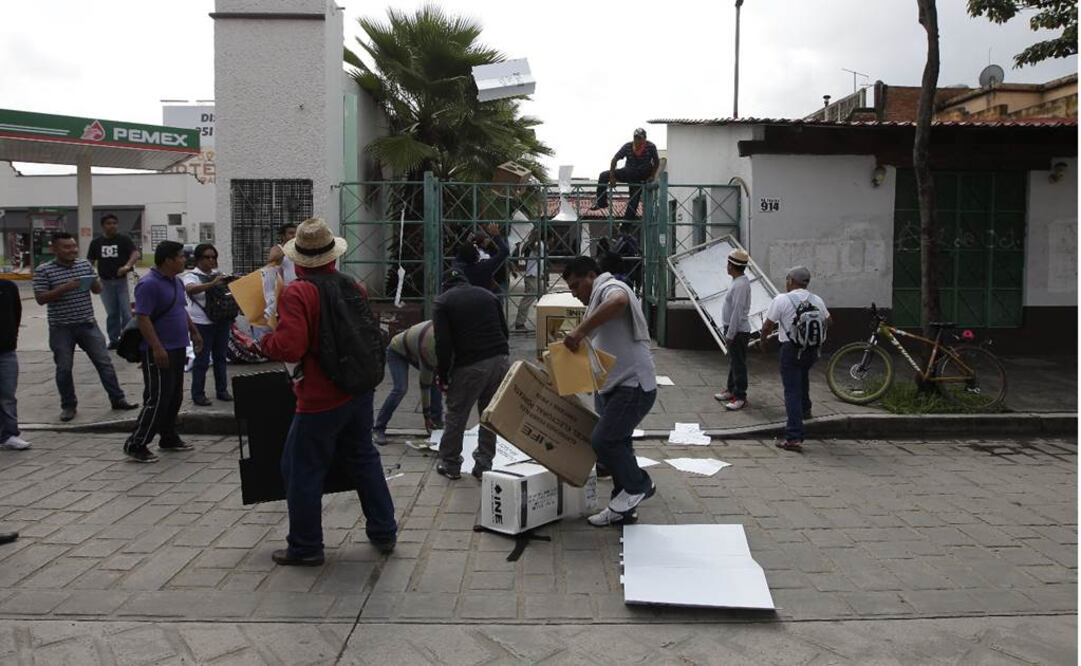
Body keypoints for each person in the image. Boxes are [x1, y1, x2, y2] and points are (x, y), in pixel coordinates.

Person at [258, 217, 397, 565]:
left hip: (320, 396)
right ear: (333, 258)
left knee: (301, 469)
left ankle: (306, 546)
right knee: (364, 458)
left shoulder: (298, 292)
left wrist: (263, 341)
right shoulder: (355, 286)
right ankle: (384, 530)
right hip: (359, 390)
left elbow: (290, 347)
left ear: (300, 260)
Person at [562, 256, 657, 527]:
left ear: (592, 275)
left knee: (604, 441)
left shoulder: (609, 287)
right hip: (614, 386)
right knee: (620, 444)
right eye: (571, 289)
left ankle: (639, 485)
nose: (575, 293)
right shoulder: (596, 299)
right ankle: (622, 509)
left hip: (633, 386)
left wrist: (579, 331)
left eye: (577, 285)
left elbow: (619, 302)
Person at [33, 232, 138, 422]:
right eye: (66, 247)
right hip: (61, 327)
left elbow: (98, 290)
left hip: (87, 324)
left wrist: (93, 282)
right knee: (64, 368)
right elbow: (41, 298)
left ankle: (118, 398)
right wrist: (67, 286)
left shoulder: (84, 265)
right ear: (54, 249)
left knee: (104, 363)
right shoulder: (44, 270)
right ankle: (68, 405)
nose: (72, 250)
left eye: (74, 246)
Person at [122, 241, 203, 463]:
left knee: (174, 395)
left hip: (178, 347)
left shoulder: (175, 281)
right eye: (180, 256)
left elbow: (180, 309)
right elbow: (143, 317)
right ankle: (136, 443)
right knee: (157, 398)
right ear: (167, 260)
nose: (184, 260)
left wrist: (193, 332)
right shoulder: (149, 284)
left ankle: (168, 436)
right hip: (159, 350)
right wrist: (156, 347)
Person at [432, 268, 510, 481]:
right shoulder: (489, 295)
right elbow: (505, 333)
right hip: (501, 360)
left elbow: (443, 344)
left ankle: (450, 464)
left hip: (472, 364)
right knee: (489, 414)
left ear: (444, 285)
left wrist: (443, 373)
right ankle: (484, 465)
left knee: (457, 413)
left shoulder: (443, 302)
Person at [761, 266, 831, 452]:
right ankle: (805, 409)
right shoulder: (817, 300)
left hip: (790, 348)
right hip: (811, 350)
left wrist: (763, 342)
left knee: (791, 390)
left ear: (791, 280)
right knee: (803, 375)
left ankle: (793, 437)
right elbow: (829, 321)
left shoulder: (781, 299)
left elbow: (768, 325)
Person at [373, 320, 443, 445]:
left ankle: (437, 425)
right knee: (400, 389)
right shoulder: (429, 347)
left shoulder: (447, 331)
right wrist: (426, 415)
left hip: (414, 349)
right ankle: (378, 428)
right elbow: (424, 385)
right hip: (397, 351)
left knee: (435, 382)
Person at [182, 243, 234, 406]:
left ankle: (222, 390)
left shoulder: (218, 274)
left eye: (213, 257)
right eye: (207, 257)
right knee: (202, 360)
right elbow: (190, 289)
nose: (211, 260)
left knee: (220, 357)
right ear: (198, 259)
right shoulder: (192, 276)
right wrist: (213, 283)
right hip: (201, 323)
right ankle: (198, 394)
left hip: (221, 321)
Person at [87, 214, 140, 349]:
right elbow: (90, 261)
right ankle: (114, 339)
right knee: (112, 313)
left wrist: (127, 266)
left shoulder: (124, 240)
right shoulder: (96, 242)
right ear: (103, 226)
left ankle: (127, 339)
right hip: (105, 282)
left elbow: (135, 254)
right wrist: (90, 274)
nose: (112, 226)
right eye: (109, 223)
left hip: (123, 281)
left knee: (127, 312)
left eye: (115, 223)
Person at [591, 128, 660, 220]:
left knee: (634, 201)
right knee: (603, 175)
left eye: (639, 138)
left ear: (644, 139)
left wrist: (652, 176)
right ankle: (601, 202)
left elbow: (656, 162)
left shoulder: (650, 146)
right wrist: (612, 177)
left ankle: (625, 228)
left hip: (640, 176)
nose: (637, 141)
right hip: (628, 172)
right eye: (635, 138)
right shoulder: (628, 146)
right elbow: (614, 160)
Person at [714, 249, 752, 411]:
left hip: (738, 331)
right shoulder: (738, 282)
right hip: (733, 329)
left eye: (728, 264)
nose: (727, 267)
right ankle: (731, 390)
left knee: (738, 364)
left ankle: (740, 396)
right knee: (734, 361)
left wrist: (730, 334)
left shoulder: (741, 285)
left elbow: (737, 310)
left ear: (732, 266)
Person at [0, 279, 29, 450]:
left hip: (6, 351)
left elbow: (16, 314)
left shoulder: (8, 287)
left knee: (7, 395)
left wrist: (12, 338)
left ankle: (9, 434)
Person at [453, 223, 509, 293]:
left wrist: (468, 242)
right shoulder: (484, 267)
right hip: (484, 298)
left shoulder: (458, 268)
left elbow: (461, 254)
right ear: (477, 256)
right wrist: (496, 235)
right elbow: (505, 251)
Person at [513, 229, 545, 331]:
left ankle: (543, 319)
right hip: (532, 274)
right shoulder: (535, 244)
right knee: (528, 298)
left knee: (543, 297)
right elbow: (529, 250)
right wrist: (533, 238)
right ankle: (519, 323)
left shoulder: (538, 243)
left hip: (537, 274)